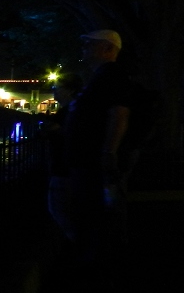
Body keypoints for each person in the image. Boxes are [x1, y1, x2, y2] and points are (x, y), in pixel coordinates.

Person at [64, 29, 134, 262]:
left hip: (93, 160)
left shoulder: (111, 75)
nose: (84, 48)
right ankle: (99, 257)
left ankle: (101, 262)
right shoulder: (102, 76)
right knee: (95, 211)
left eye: (90, 44)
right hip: (88, 159)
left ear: (108, 49)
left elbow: (119, 112)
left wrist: (109, 151)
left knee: (95, 211)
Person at [44, 73, 83, 241]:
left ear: (69, 90)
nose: (54, 92)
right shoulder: (74, 109)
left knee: (59, 208)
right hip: (68, 167)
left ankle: (74, 243)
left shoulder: (69, 112)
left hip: (63, 168)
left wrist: (51, 130)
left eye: (57, 88)